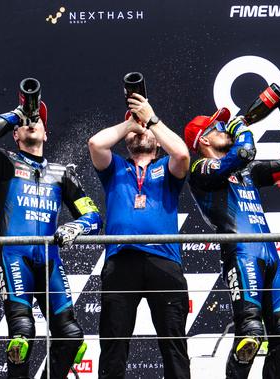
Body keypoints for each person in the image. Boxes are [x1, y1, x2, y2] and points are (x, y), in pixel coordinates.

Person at [0, 95, 103, 379]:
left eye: (37, 120)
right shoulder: (5, 163)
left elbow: (93, 217)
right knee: (22, 334)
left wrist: (75, 228)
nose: (32, 123)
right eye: (26, 122)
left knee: (71, 336)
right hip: (14, 258)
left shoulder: (62, 174)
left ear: (46, 133)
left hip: (50, 261)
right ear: (15, 134)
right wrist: (18, 114)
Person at [184, 93, 280, 379]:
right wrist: (240, 126)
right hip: (241, 254)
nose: (224, 129)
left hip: (269, 256)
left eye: (225, 125)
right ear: (204, 140)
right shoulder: (201, 169)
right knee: (250, 333)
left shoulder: (248, 172)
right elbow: (243, 152)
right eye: (218, 127)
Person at [87, 93, 191, 379]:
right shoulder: (116, 168)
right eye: (135, 129)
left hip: (164, 260)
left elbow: (182, 155)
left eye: (145, 129)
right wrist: (131, 123)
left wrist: (152, 120)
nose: (141, 131)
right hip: (121, 260)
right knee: (113, 344)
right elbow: (95, 143)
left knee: (174, 344)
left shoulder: (166, 166)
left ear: (157, 139)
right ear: (126, 139)